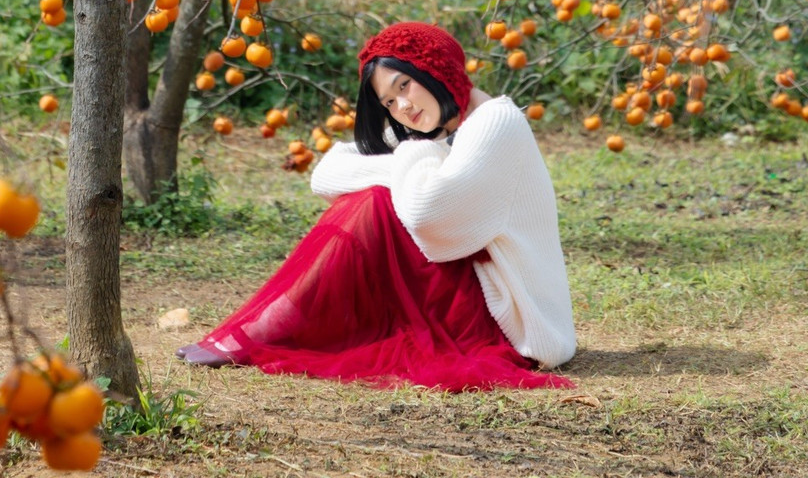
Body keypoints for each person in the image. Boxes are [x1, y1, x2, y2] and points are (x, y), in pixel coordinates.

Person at [177, 20, 577, 390]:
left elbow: (428, 213)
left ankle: (268, 328)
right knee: (370, 197)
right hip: (467, 297)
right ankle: (271, 327)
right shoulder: (435, 129)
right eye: (388, 102)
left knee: (376, 201)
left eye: (405, 86)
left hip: (512, 319)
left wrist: (414, 155)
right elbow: (327, 173)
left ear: (436, 70)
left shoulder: (495, 122)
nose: (402, 108)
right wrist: (410, 159)